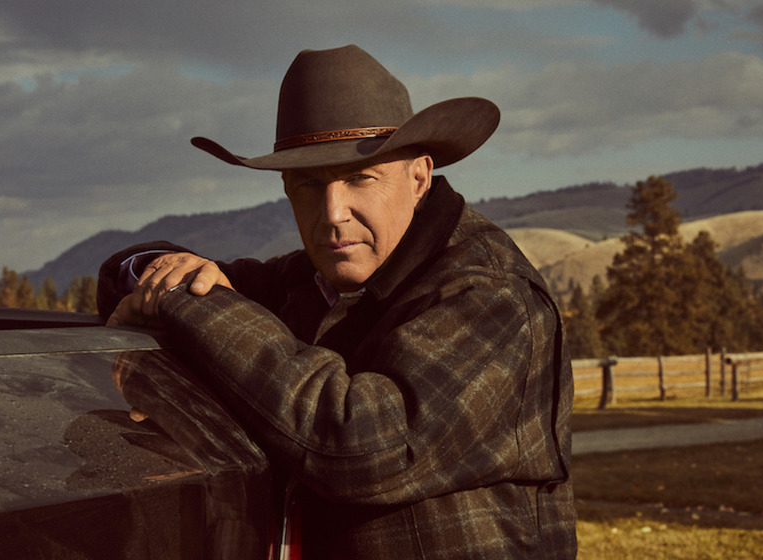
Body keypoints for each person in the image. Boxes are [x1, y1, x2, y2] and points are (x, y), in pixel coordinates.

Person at [97, 45, 577, 559]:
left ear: (418, 177)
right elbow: (125, 271)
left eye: (359, 178)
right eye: (308, 184)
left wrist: (185, 301)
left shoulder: (490, 293)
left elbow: (364, 444)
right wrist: (163, 276)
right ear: (285, 189)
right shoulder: (313, 278)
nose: (332, 213)